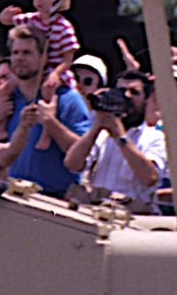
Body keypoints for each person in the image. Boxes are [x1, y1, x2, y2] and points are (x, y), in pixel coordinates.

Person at [0, 23, 92, 198]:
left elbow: (83, 156)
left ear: (44, 57)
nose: (19, 58)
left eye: (27, 53)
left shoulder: (68, 100)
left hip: (54, 202)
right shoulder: (8, 99)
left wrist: (50, 122)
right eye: (15, 53)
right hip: (12, 197)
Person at [64, 70, 166, 212]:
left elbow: (149, 178)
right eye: (122, 91)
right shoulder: (103, 135)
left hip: (132, 215)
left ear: (146, 99)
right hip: (95, 210)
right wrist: (96, 127)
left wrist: (119, 135)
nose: (127, 96)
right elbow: (72, 164)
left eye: (134, 92)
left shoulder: (155, 138)